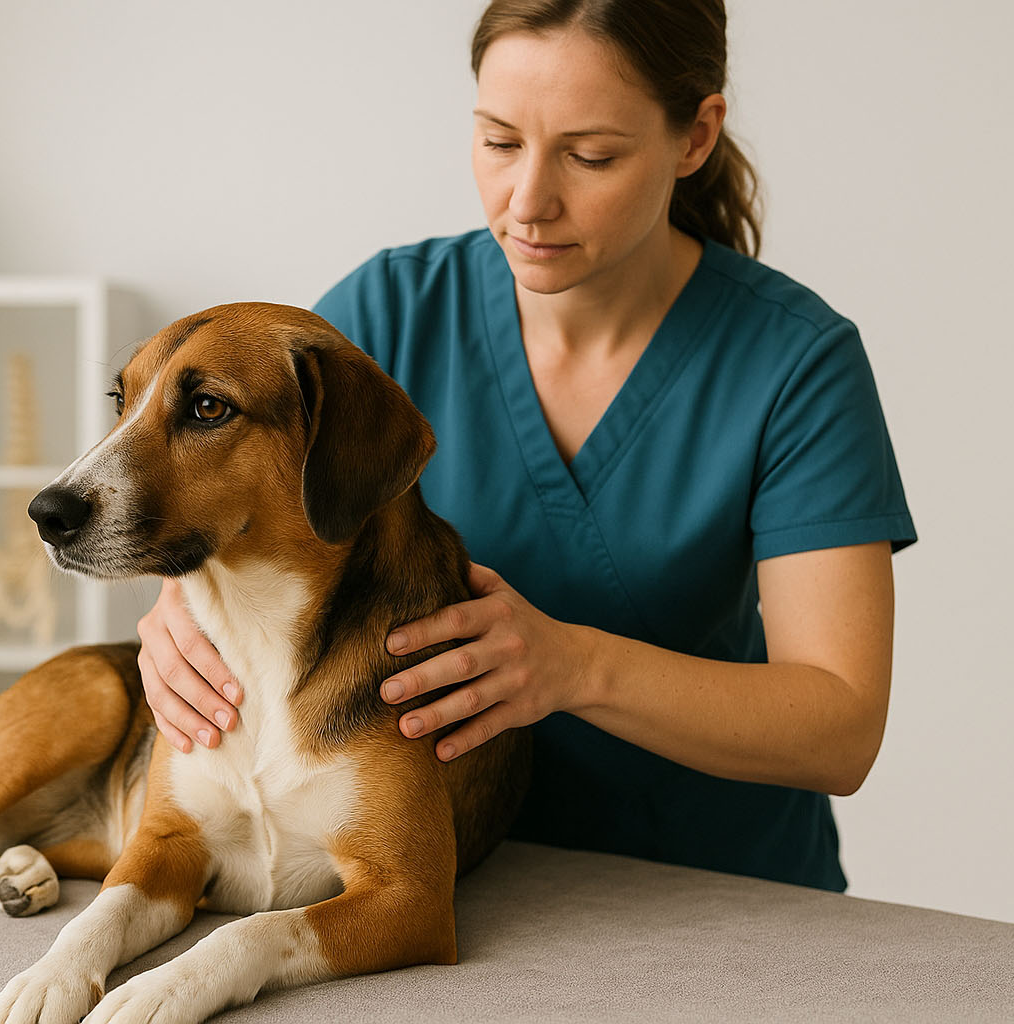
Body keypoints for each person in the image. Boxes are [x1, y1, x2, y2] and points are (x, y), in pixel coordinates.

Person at [132, 0, 916, 892]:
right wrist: (174, 610)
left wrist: (570, 665)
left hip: (721, 891)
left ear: (695, 137)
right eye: (500, 141)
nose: (528, 202)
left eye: (592, 156)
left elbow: (840, 728)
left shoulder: (795, 363)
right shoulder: (385, 316)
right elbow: (232, 487)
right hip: (460, 884)